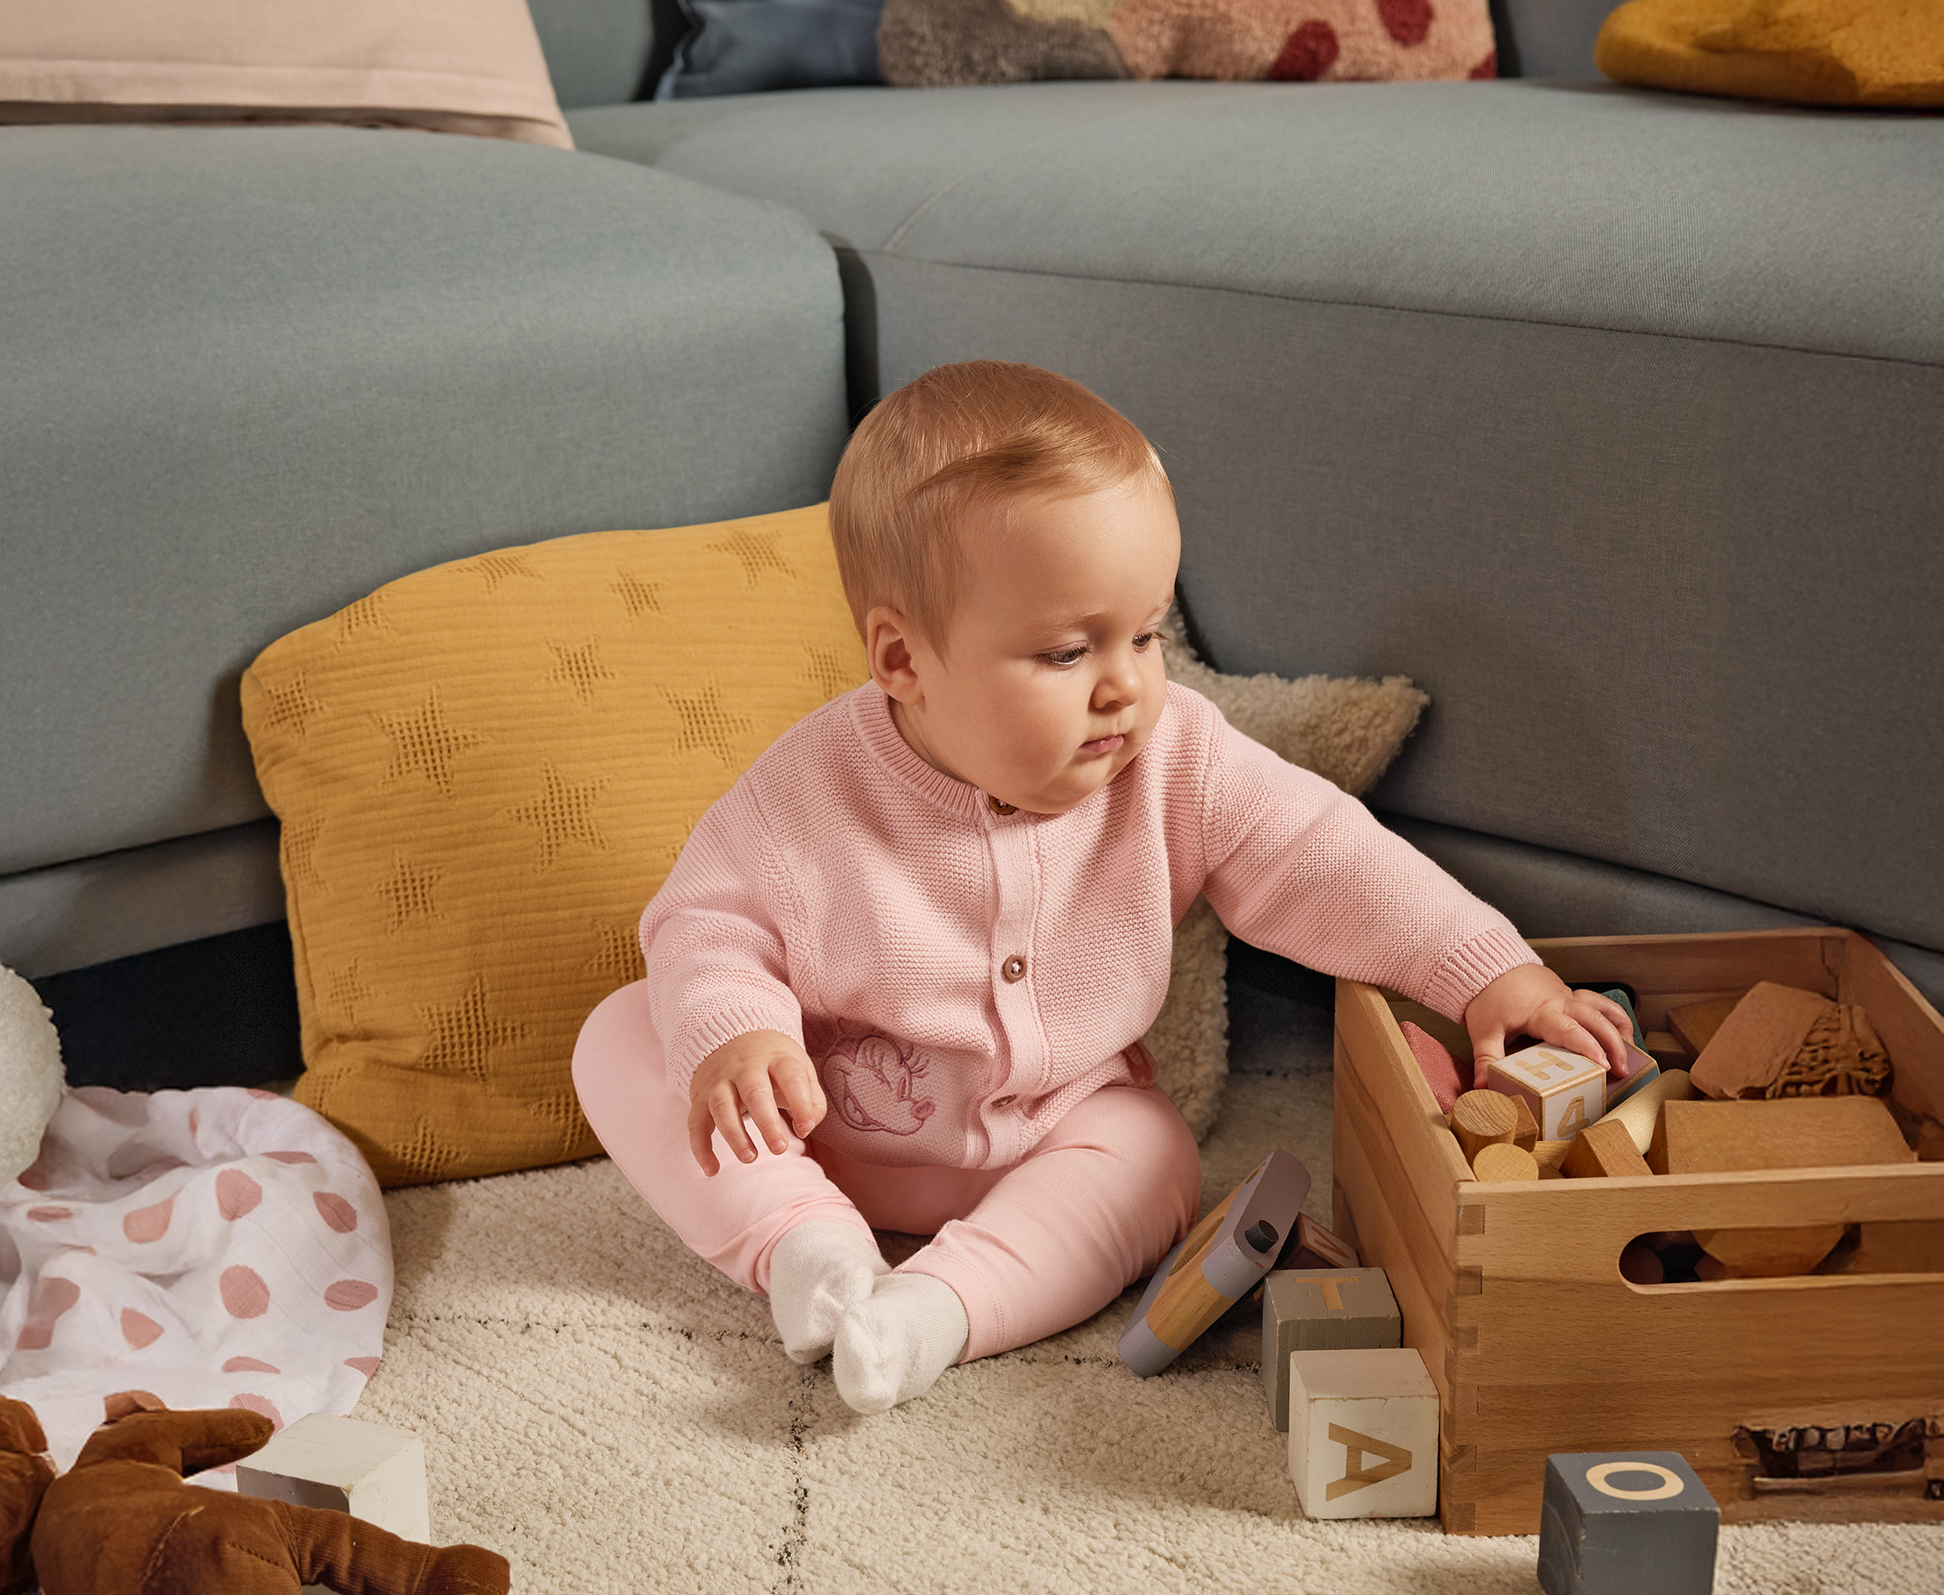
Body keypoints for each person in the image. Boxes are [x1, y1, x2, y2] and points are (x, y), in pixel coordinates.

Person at [573, 362, 1629, 1415]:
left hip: (1052, 1130)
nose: (1124, 683)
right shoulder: (810, 792)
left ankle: (941, 1307)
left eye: (1146, 635)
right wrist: (734, 1034)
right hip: (824, 1125)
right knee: (624, 1038)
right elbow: (705, 919)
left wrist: (1487, 971)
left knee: (1154, 1156)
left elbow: (1322, 855)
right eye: (1069, 650)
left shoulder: (1178, 760)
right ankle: (803, 1246)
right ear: (902, 659)